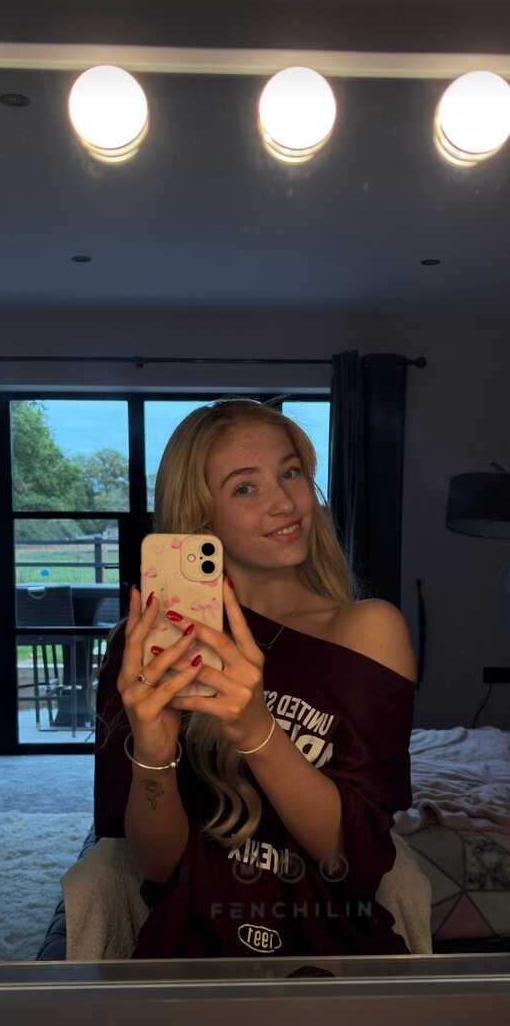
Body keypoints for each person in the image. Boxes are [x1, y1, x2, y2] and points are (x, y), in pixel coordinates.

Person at [94, 396, 417, 959]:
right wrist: (153, 749)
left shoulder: (369, 630)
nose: (285, 503)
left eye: (290, 473)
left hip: (333, 956)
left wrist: (257, 731)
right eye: (245, 488)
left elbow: (356, 860)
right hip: (191, 958)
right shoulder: (148, 647)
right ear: (201, 518)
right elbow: (158, 868)